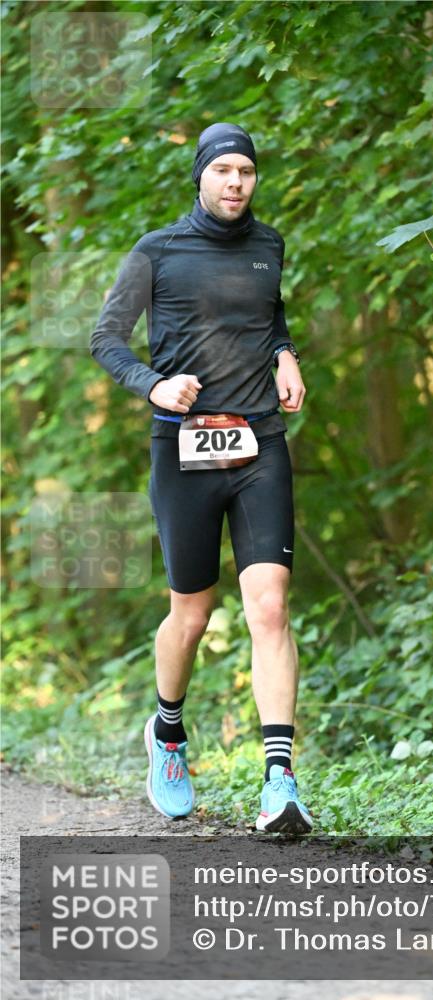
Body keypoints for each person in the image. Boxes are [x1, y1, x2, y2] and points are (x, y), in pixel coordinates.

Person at [90, 122, 313, 834]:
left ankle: (279, 780)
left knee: (270, 607)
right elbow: (106, 338)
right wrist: (151, 386)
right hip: (183, 452)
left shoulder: (268, 246)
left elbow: (266, 316)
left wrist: (284, 353)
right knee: (192, 612)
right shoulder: (157, 251)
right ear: (200, 176)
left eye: (246, 171)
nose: (235, 183)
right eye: (223, 170)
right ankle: (168, 734)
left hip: (258, 446)